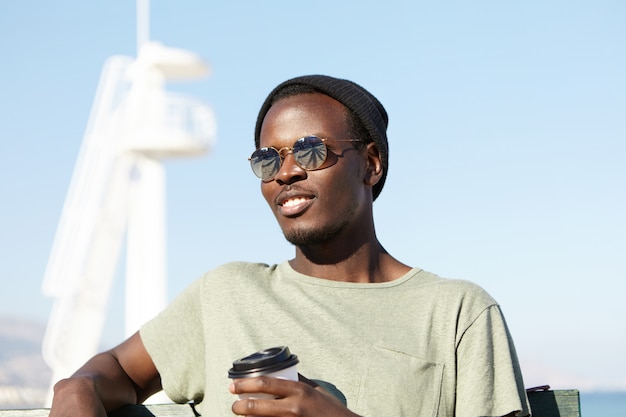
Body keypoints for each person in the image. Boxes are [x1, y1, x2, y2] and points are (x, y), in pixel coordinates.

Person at [49, 75, 531, 417]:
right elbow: (118, 370)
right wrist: (76, 388)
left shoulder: (457, 312)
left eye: (310, 150)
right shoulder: (226, 293)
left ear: (371, 164)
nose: (286, 172)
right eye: (266, 158)